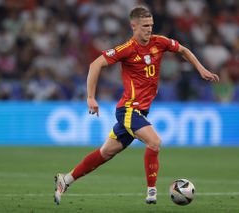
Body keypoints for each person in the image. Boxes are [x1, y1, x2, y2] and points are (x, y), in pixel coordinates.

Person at [54, 6, 219, 205]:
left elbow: (183, 50)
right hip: (128, 109)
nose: (149, 29)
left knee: (105, 153)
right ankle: (152, 191)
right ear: (134, 26)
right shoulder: (127, 49)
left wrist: (201, 69)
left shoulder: (160, 42)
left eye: (151, 25)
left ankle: (66, 179)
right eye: (145, 26)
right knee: (155, 142)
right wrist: (91, 97)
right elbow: (95, 64)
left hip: (140, 111)